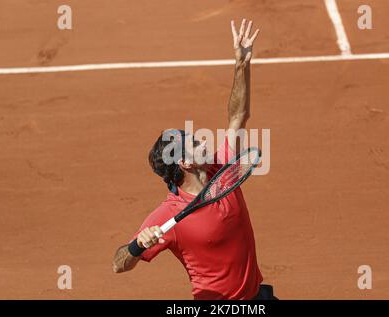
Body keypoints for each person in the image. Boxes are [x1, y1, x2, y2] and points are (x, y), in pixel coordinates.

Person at [112, 19, 277, 300]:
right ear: (186, 164)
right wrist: (138, 246)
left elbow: (238, 116)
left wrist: (241, 64)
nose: (203, 140)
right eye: (194, 143)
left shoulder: (220, 170)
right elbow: (118, 264)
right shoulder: (167, 215)